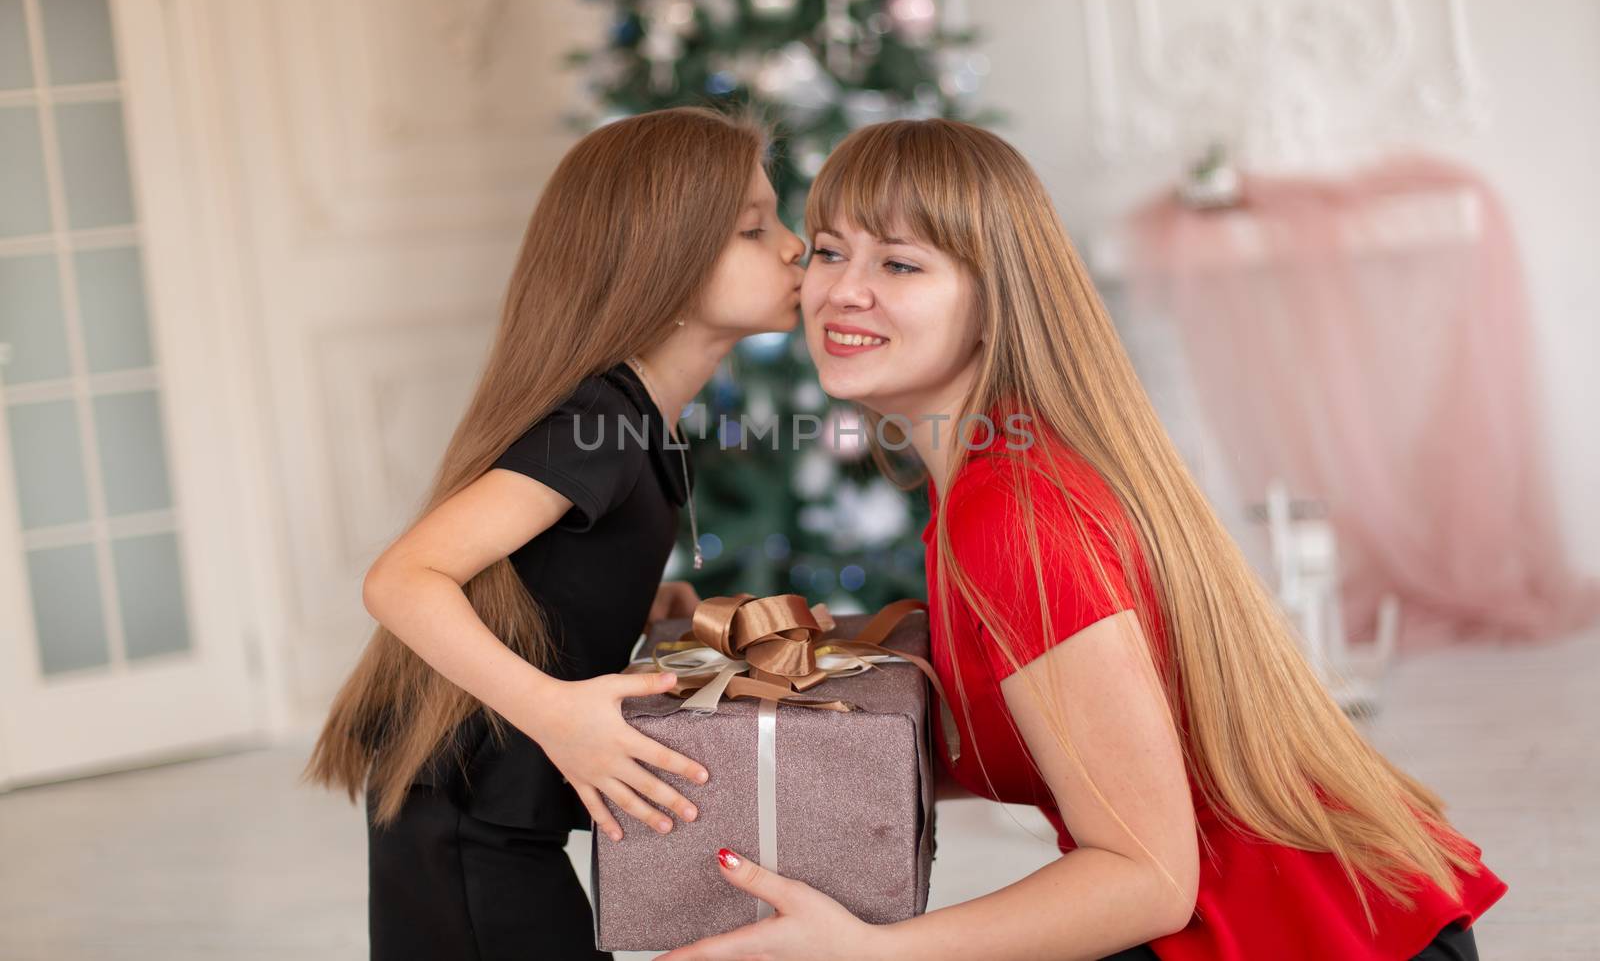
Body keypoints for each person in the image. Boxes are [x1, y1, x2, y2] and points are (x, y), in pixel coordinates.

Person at [660, 119, 1506, 961]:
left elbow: (1146, 876)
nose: (843, 289)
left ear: (998, 305)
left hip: (1300, 937)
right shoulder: (989, 473)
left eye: (900, 263)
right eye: (831, 251)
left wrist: (869, 952)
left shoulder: (1013, 515)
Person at [300, 106, 807, 960]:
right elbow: (401, 578)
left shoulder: (632, 421)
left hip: (491, 816)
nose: (795, 246)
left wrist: (638, 603)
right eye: (756, 229)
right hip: (468, 823)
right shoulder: (595, 427)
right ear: (666, 263)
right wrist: (554, 712)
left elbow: (551, 564)